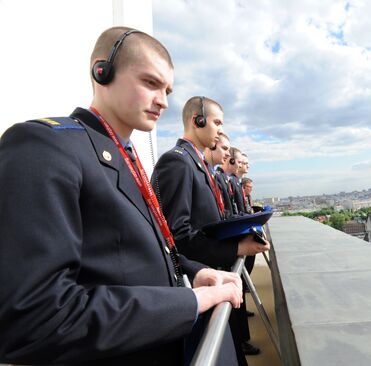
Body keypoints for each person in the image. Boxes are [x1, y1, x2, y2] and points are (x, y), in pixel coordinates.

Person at [0, 27, 242, 366]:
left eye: (168, 89)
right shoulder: (44, 146)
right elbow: (36, 316)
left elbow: (132, 251)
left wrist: (192, 271)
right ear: (103, 71)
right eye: (151, 83)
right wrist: (191, 302)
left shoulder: (123, 155)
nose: (164, 101)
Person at [151, 96, 270, 365]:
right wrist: (237, 248)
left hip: (212, 276)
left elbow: (207, 223)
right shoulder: (178, 162)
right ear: (198, 120)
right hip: (200, 282)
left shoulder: (196, 163)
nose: (219, 130)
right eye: (216, 122)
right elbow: (177, 238)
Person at [205, 132, 234, 219]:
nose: (228, 154)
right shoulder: (208, 173)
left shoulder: (211, 173)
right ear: (212, 146)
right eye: (224, 148)